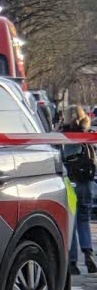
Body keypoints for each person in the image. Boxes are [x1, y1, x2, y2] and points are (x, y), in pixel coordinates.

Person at [61, 104, 97, 275]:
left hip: (71, 182)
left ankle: (73, 262)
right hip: (86, 181)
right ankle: (88, 253)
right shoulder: (88, 133)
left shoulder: (62, 134)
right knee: (84, 219)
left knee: (72, 222)